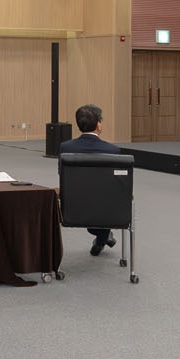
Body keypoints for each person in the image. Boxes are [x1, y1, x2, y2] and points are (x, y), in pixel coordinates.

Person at [58, 104, 123, 256]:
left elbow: (62, 173)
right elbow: (116, 184)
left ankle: (102, 238)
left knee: (91, 201)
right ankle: (103, 237)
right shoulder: (113, 151)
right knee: (104, 199)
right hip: (106, 209)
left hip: (73, 207)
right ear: (99, 125)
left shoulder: (65, 148)